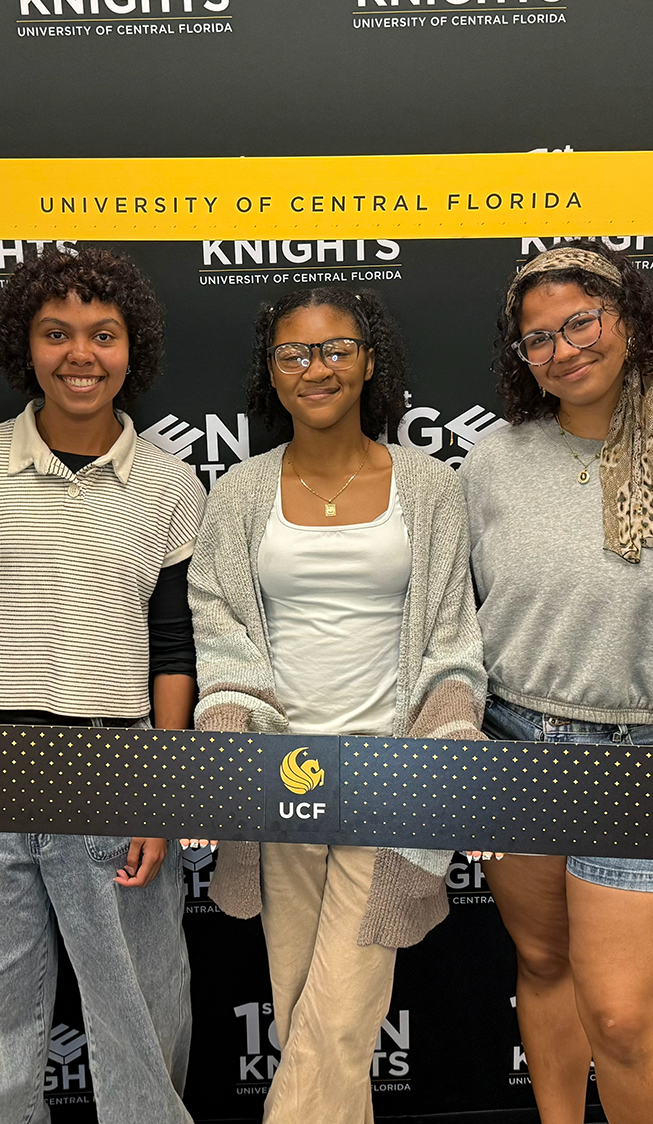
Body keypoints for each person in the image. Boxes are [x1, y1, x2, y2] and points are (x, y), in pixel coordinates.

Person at [184, 286, 485, 1124]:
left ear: (368, 361)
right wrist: (229, 726)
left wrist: (447, 727)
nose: (315, 368)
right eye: (293, 354)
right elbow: (221, 627)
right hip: (281, 778)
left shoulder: (428, 487)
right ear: (270, 376)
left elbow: (451, 636)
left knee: (341, 1004)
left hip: (392, 775)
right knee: (305, 1006)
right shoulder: (241, 492)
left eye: (334, 349)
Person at [0, 245, 204, 1124]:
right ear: (26, 347)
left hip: (111, 767)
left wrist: (162, 791)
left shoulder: (168, 483)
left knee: (139, 1028)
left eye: (102, 334)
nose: (80, 354)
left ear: (132, 350)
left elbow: (172, 647)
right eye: (57, 333)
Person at [459, 241, 653, 1124]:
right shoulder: (492, 464)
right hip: (516, 741)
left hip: (643, 753)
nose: (564, 347)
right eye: (538, 338)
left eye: (581, 321)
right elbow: (460, 614)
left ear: (627, 319)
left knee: (622, 1015)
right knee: (544, 966)